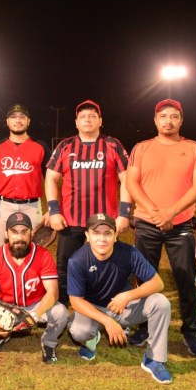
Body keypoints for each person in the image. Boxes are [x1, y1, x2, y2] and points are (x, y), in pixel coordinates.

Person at [125, 98, 196, 357]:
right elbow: (131, 183)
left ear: (181, 120)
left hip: (181, 224)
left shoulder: (195, 148)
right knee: (143, 278)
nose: (168, 121)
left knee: (186, 278)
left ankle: (191, 331)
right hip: (146, 223)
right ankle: (143, 327)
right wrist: (155, 212)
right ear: (155, 120)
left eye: (174, 116)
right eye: (163, 116)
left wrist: (170, 212)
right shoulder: (141, 148)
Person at [43, 99, 132, 306]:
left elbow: (126, 179)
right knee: (65, 264)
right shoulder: (65, 146)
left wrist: (124, 214)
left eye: (92, 116)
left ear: (100, 121)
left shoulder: (112, 144)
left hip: (104, 221)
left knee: (107, 263)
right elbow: (51, 179)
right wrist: (54, 210)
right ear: (76, 122)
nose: (87, 119)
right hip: (70, 219)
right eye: (83, 116)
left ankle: (105, 303)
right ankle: (62, 306)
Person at [67, 213, 172, 384]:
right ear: (87, 236)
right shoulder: (77, 260)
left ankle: (154, 359)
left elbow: (157, 283)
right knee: (78, 331)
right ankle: (91, 340)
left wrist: (128, 296)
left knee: (161, 303)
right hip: (94, 310)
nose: (102, 239)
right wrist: (108, 322)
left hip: (123, 307)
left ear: (115, 236)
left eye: (107, 233)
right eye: (96, 233)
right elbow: (75, 300)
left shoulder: (129, 253)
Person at [0, 212, 68, 363]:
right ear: (6, 234)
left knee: (60, 312)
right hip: (5, 306)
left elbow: (53, 292)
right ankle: (3, 332)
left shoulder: (43, 255)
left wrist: (34, 316)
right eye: (14, 232)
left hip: (35, 305)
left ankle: (48, 343)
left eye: (24, 232)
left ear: (31, 233)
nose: (19, 237)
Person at [0, 104, 51, 248]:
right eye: (13, 117)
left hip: (32, 207)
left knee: (32, 248)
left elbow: (50, 180)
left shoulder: (41, 147)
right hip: (3, 206)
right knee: (0, 247)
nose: (18, 120)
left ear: (28, 121)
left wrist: (52, 209)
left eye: (22, 117)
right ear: (7, 121)